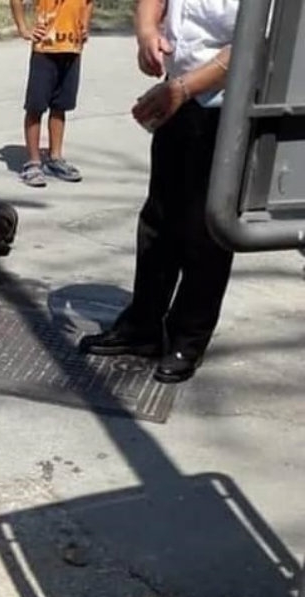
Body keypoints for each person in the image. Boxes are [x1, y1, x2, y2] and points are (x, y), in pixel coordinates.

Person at [77, 0, 239, 384]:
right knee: (160, 218)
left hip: (228, 110)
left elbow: (255, 45)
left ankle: (188, 337)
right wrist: (147, 32)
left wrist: (184, 89)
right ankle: (143, 324)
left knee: (208, 229)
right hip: (177, 99)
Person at [9, 0, 94, 187]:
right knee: (36, 106)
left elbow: (88, 3)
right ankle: (33, 162)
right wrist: (23, 28)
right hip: (45, 50)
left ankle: (55, 158)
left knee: (60, 106)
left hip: (71, 49)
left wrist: (85, 25)